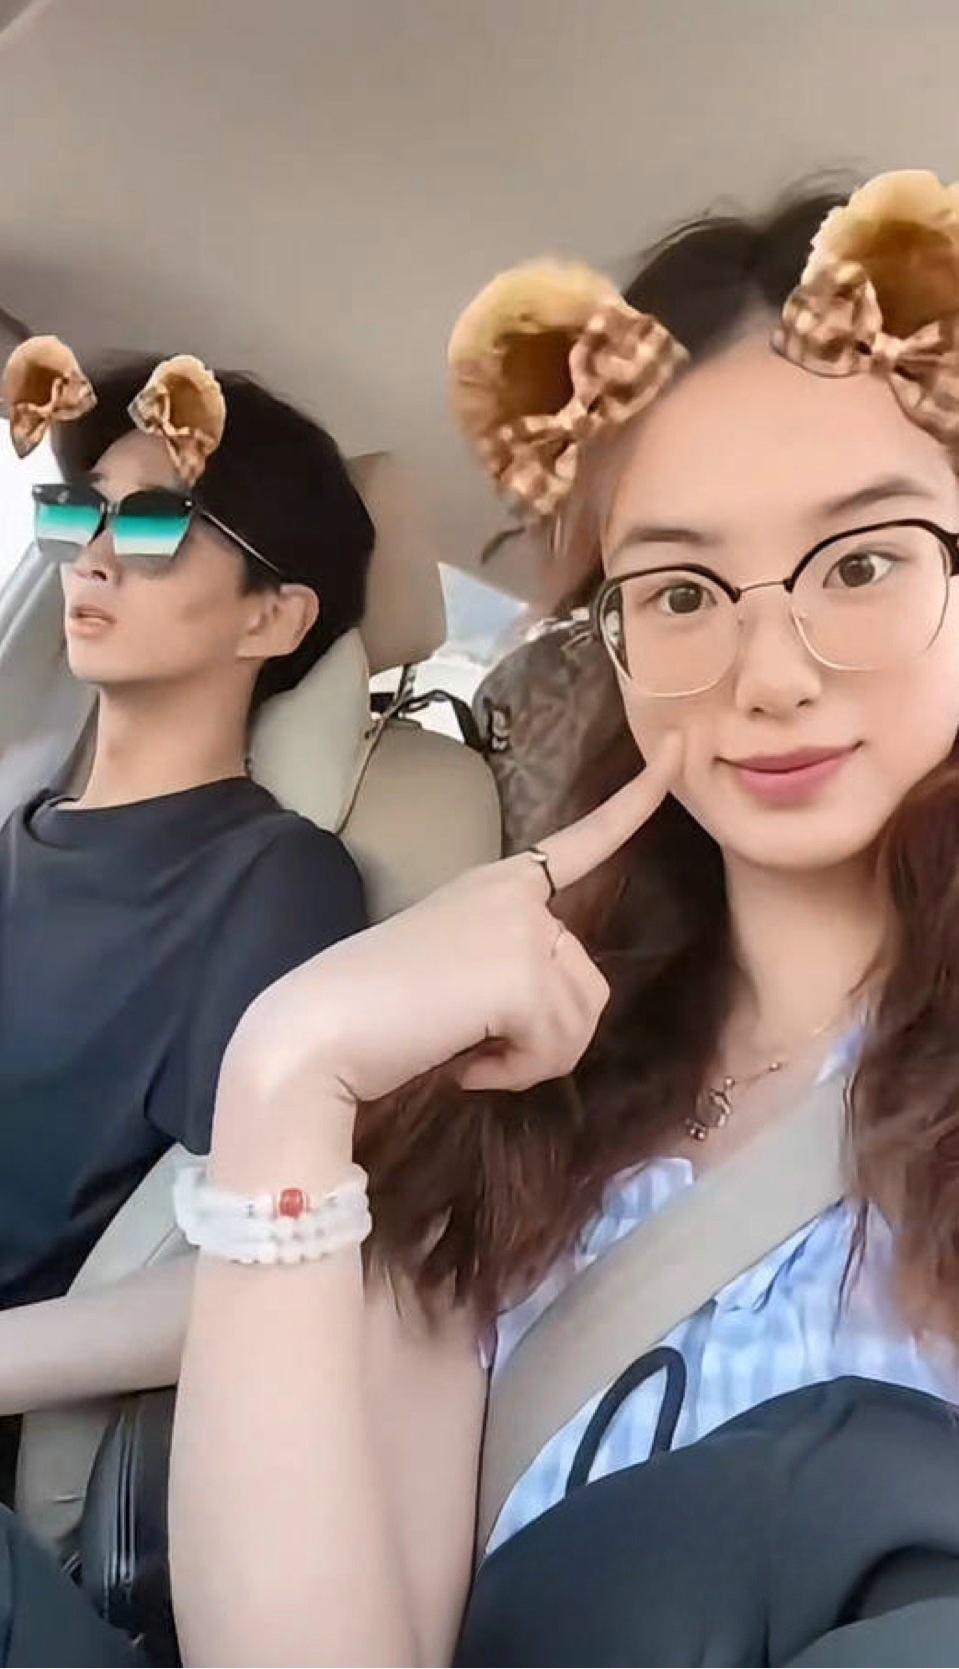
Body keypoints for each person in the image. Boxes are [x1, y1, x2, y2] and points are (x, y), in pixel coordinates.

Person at [166, 168, 959, 1667]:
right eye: (681, 591)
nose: (769, 673)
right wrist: (288, 1071)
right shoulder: (503, 1103)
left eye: (863, 563)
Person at [0, 346, 371, 1480]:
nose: (95, 553)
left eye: (156, 522)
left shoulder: (275, 883)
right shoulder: (20, 830)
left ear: (273, 617)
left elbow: (254, 1259)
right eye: (80, 510)